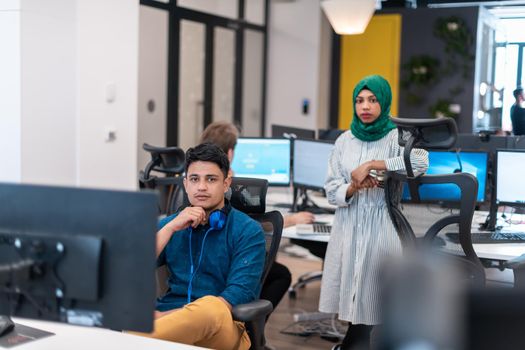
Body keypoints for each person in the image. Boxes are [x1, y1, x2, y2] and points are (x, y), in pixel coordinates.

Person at [318, 75, 428, 350]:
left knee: (373, 301)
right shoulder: (344, 140)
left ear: (384, 102)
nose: (365, 106)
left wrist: (372, 164)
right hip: (349, 225)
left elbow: (420, 162)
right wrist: (354, 186)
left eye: (372, 99)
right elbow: (331, 189)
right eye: (359, 100)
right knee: (353, 301)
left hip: (383, 226)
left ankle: (352, 345)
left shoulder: (397, 136)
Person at [138, 143, 266, 350]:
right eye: (195, 179)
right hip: (167, 322)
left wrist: (162, 317)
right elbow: (133, 268)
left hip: (221, 327)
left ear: (226, 184)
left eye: (211, 179)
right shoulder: (170, 224)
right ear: (185, 183)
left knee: (211, 307)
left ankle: (130, 340)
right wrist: (170, 228)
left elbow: (236, 295)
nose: (202, 187)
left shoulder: (248, 230)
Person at [199, 121, 313, 315]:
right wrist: (293, 219)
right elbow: (254, 226)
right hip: (227, 260)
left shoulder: (196, 179)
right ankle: (252, 330)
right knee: (281, 275)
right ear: (230, 154)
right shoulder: (227, 183)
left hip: (202, 259)